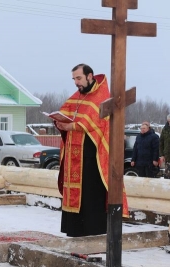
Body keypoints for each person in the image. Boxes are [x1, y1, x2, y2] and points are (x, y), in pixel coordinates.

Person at [54, 63, 129, 237]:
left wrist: (71, 125)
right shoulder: (77, 96)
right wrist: (59, 122)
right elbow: (65, 112)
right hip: (74, 156)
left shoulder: (101, 96)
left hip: (92, 157)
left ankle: (93, 233)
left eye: (79, 78)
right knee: (75, 195)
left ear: (90, 76)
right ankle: (73, 231)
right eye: (74, 79)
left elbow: (94, 122)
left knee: (91, 196)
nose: (76, 83)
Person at [159, 114, 170, 179]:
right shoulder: (165, 129)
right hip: (168, 158)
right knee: (167, 177)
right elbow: (161, 142)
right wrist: (162, 155)